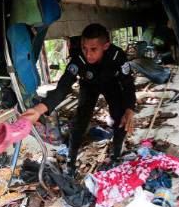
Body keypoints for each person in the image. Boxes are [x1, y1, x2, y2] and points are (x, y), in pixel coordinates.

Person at [20, 23, 137, 178]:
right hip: (89, 86)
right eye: (84, 48)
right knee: (80, 121)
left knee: (120, 117)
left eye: (93, 49)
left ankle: (116, 156)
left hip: (112, 85)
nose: (88, 54)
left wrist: (129, 109)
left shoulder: (117, 55)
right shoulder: (79, 59)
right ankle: (71, 161)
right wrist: (39, 109)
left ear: (106, 46)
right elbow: (63, 86)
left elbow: (128, 84)